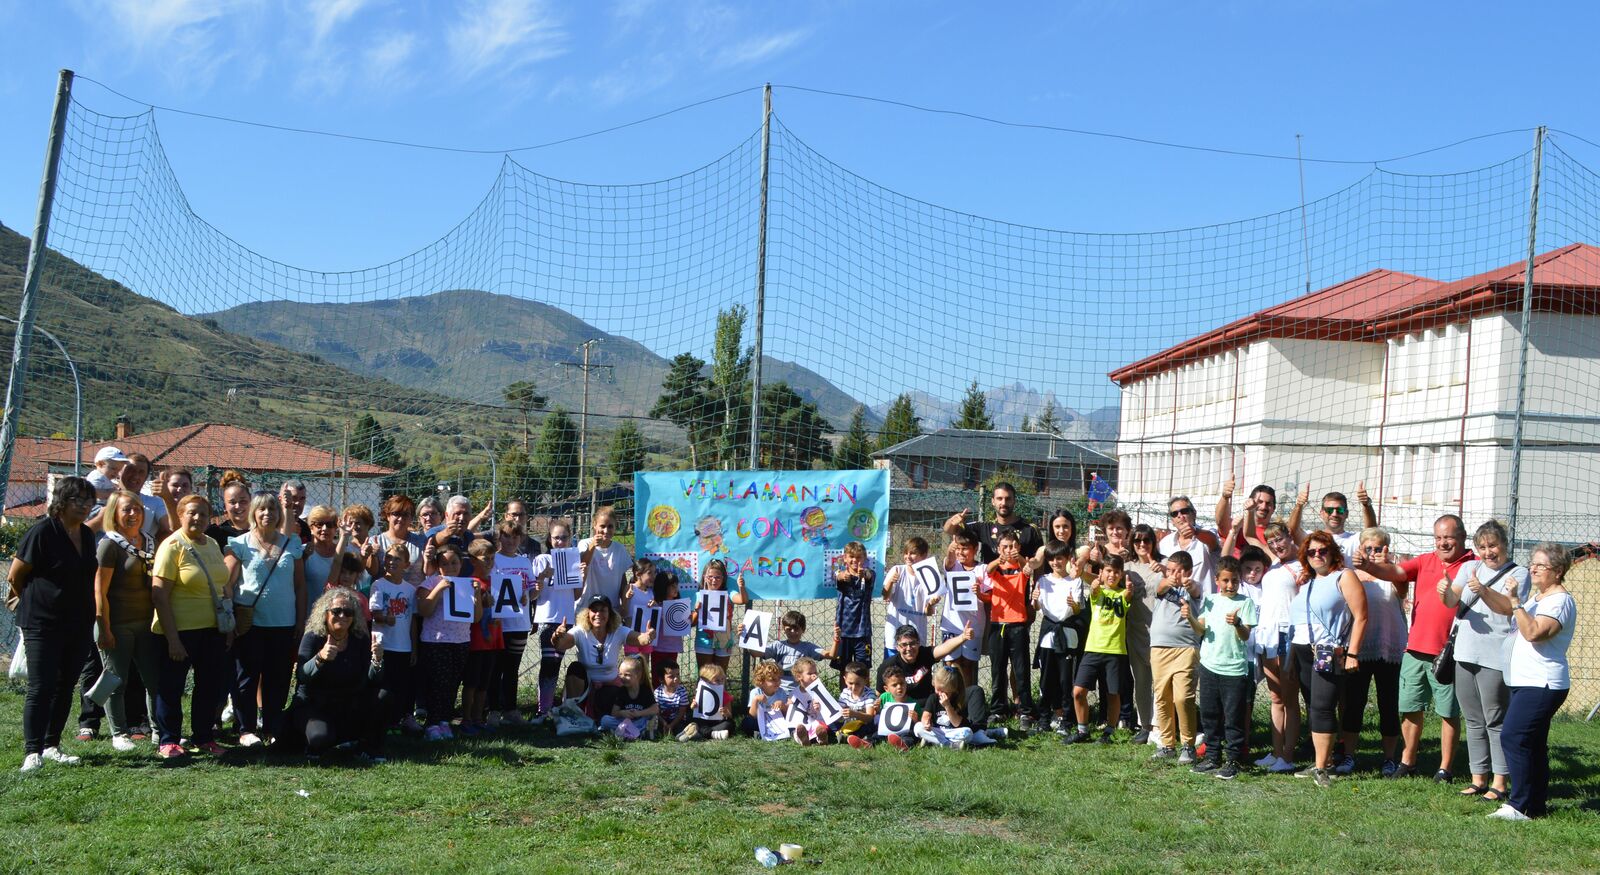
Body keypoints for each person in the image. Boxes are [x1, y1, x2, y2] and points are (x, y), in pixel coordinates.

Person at [1365, 514, 1475, 782]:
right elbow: (1397, 573)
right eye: (1438, 538)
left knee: (1448, 712)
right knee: (1410, 707)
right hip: (1415, 648)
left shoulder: (1475, 566)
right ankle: (1408, 760)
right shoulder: (1426, 560)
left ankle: (1445, 768)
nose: (1442, 543)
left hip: (1449, 653)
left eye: (1448, 537)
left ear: (1462, 537)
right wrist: (1369, 566)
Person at [1474, 542, 1576, 821]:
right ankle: (1535, 805)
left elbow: (1533, 632)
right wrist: (1490, 592)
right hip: (1525, 681)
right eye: (1533, 563)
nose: (1533, 568)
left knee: (1514, 737)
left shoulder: (1559, 601)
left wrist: (1517, 600)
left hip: (1543, 683)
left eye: (1540, 565)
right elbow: (1510, 610)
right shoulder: (1540, 597)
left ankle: (1518, 804)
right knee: (1533, 744)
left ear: (1557, 571)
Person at [11, 477, 98, 773]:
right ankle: (32, 751)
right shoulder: (42, 532)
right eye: (79, 500)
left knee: (64, 686)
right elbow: (15, 576)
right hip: (42, 623)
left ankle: (51, 745)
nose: (85, 506)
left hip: (78, 623)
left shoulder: (86, 535)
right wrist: (39, 601)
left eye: (89, 501)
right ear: (61, 501)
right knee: (41, 686)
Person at [1440, 520, 1529, 801]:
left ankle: (1500, 782)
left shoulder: (1519, 574)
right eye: (1482, 547)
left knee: (1495, 719)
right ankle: (1478, 778)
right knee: (1473, 719)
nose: (1488, 552)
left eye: (1492, 545)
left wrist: (1483, 590)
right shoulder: (1469, 568)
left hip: (1494, 656)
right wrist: (1444, 591)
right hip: (1464, 653)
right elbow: (1452, 601)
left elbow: (1508, 609)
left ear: (1504, 544)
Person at [150, 494, 232, 759]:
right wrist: (172, 639)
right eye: (192, 513)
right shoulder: (172, 545)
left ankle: (204, 736)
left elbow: (221, 586)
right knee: (172, 687)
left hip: (212, 629)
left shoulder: (211, 544)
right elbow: (159, 595)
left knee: (209, 685)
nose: (198, 518)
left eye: (204, 514)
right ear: (181, 513)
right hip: (180, 630)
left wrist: (227, 627)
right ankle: (169, 740)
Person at [223, 491, 307, 747]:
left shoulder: (292, 544)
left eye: (272, 509)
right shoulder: (239, 544)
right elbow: (226, 584)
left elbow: (300, 586)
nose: (267, 513)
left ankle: (272, 727)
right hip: (250, 624)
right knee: (246, 678)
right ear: (253, 514)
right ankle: (246, 729)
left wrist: (301, 621)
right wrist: (229, 616)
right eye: (261, 509)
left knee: (278, 679)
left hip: (283, 623)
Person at [1289, 531, 1367, 787]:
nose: (1317, 555)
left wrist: (1353, 653)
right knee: (1312, 705)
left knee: (1323, 706)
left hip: (1328, 650)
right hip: (1303, 649)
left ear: (1333, 552)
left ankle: (1322, 767)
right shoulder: (1308, 581)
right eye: (1312, 552)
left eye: (1322, 550)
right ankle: (1323, 760)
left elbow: (1361, 616)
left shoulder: (1344, 576)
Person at [93, 489, 162, 753]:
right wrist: (104, 627)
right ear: (114, 513)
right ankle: (118, 733)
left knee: (153, 680)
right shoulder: (109, 544)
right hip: (117, 624)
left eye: (137, 508)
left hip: (146, 624)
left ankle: (159, 731)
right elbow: (99, 590)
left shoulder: (149, 541)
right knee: (115, 681)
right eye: (126, 509)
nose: (133, 514)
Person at [280, 588, 384, 762]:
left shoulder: (360, 639)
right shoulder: (313, 637)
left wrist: (377, 661)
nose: (342, 616)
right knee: (320, 738)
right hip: (314, 705)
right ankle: (314, 739)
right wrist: (320, 658)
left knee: (383, 696)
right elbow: (302, 676)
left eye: (348, 612)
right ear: (325, 613)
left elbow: (373, 680)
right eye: (337, 611)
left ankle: (366, 745)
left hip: (348, 703)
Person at [1340, 527, 1408, 777]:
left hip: (1388, 646)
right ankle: (1348, 755)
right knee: (1354, 702)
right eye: (1368, 548)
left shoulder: (1392, 572)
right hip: (1360, 646)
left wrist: (1385, 566)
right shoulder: (1351, 573)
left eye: (1378, 548)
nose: (1373, 553)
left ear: (1386, 550)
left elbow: (1402, 591)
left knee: (1388, 704)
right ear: (1360, 549)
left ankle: (1390, 758)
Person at [1183, 556, 1257, 779]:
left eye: (1234, 580)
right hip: (1209, 666)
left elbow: (1245, 635)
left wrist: (1236, 624)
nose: (1230, 585)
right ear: (1217, 580)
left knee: (1233, 717)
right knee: (1209, 714)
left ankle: (1233, 759)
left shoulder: (1245, 602)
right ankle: (1212, 756)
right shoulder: (1210, 600)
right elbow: (1200, 631)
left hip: (1233, 670)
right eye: (1225, 580)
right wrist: (1190, 618)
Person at [551, 594, 656, 716]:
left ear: (610, 614)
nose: (598, 614)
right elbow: (560, 644)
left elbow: (639, 638)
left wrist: (648, 637)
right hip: (585, 686)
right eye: (594, 610)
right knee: (575, 668)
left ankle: (597, 716)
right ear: (587, 614)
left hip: (610, 686)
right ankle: (574, 711)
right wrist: (557, 636)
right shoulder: (580, 631)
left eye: (603, 610)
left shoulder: (618, 631)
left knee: (609, 696)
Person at [1066, 556, 1131, 744]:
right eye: (1108, 571)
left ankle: (1108, 733)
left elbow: (1128, 598)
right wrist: (1093, 583)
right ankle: (1082, 730)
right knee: (1078, 692)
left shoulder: (1124, 594)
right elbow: (1094, 590)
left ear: (1121, 574)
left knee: (1113, 693)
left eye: (1116, 572)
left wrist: (1129, 592)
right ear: (1102, 573)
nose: (1112, 575)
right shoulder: (1097, 591)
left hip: (1116, 651)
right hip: (1093, 648)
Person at [1253, 523, 1302, 773]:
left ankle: (1288, 755)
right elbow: (1250, 536)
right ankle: (1276, 752)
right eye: (1271, 542)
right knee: (1275, 697)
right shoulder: (1272, 565)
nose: (1276, 546)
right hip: (1267, 634)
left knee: (1290, 698)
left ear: (1290, 537)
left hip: (1287, 633)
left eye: (1280, 540)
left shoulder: (1302, 566)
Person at [416, 545, 475, 741]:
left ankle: (443, 721)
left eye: (454, 563)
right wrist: (438, 589)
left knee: (452, 684)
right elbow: (424, 610)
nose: (449, 567)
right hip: (436, 641)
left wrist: (480, 599)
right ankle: (431, 723)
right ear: (437, 565)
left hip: (460, 640)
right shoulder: (430, 582)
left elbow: (475, 616)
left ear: (461, 563)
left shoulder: (466, 584)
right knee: (437, 684)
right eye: (444, 563)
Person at [1149, 551, 1202, 764]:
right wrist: (1168, 579)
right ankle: (1167, 745)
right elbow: (1159, 588)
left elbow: (1196, 590)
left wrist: (1189, 584)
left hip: (1185, 648)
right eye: (1169, 570)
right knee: (1162, 697)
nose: (1172, 574)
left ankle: (1188, 745)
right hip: (1159, 648)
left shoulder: (1194, 588)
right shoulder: (1163, 584)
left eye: (1176, 571)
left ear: (1188, 571)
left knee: (1183, 698)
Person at [981, 531, 1035, 727]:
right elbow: (987, 570)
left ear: (1018, 547)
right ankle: (998, 710)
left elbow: (1028, 570)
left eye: (1012, 546)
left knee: (1021, 671)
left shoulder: (1021, 566)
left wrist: (1018, 557)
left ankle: (1025, 712)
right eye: (1004, 547)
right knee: (998, 670)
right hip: (998, 624)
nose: (1008, 550)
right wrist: (999, 558)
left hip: (1018, 625)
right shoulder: (997, 568)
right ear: (998, 548)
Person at [486, 521, 536, 728]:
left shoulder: (525, 562)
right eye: (506, 536)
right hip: (498, 624)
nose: (510, 540)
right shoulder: (493, 560)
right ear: (499, 537)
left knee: (512, 668)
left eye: (515, 536)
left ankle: (511, 710)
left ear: (521, 539)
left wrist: (531, 593)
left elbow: (532, 593)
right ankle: (493, 710)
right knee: (495, 669)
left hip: (519, 623)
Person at [1033, 541, 1084, 733]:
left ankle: (1066, 720)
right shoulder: (1043, 581)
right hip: (1048, 636)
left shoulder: (1075, 581)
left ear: (1068, 559)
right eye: (1052, 559)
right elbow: (1037, 607)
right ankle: (1044, 719)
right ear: (1048, 560)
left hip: (1067, 637)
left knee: (1065, 681)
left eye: (1060, 558)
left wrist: (1074, 605)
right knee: (1046, 679)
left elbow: (1078, 609)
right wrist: (1035, 599)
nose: (1056, 562)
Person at [369, 542, 420, 733]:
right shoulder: (379, 585)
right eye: (389, 557)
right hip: (384, 645)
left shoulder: (410, 590)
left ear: (406, 564)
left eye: (397, 559)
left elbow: (413, 621)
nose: (392, 561)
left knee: (401, 687)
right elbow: (374, 614)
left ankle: (397, 721)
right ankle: (382, 722)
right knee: (384, 687)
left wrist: (414, 648)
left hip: (403, 647)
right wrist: (384, 618)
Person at [530, 520, 579, 717]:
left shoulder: (573, 559)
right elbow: (533, 594)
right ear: (549, 539)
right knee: (548, 663)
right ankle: (543, 710)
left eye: (564, 537)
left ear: (570, 538)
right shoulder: (542, 559)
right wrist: (541, 577)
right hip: (546, 617)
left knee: (556, 663)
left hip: (566, 618)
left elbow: (576, 595)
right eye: (556, 538)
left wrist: (580, 575)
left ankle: (548, 708)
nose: (560, 541)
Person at [942, 482, 1044, 565]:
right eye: (999, 498)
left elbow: (1039, 563)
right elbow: (950, 530)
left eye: (1008, 499)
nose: (1003, 503)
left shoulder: (1030, 530)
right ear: (993, 501)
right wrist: (952, 521)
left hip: (1019, 588)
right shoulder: (984, 527)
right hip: (991, 588)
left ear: (1014, 501)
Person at [1123, 524, 1161, 744]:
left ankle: (1159, 725)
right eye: (1137, 541)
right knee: (1141, 682)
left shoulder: (1161, 565)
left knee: (1159, 682)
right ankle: (1144, 725)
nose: (1142, 545)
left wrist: (1163, 571)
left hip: (1158, 632)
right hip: (1135, 631)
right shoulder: (1127, 566)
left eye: (1146, 540)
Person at [935, 531, 987, 687]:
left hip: (974, 626)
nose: (960, 552)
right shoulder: (953, 565)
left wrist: (980, 593)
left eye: (965, 548)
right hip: (951, 625)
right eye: (958, 548)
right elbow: (949, 562)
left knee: (968, 666)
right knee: (951, 665)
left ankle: (967, 703)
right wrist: (951, 551)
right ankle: (950, 702)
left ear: (975, 548)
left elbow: (988, 596)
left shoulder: (982, 569)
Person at [1288, 483, 1378, 561]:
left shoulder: (1355, 539)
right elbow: (1292, 531)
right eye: (1329, 510)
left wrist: (1366, 505)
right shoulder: (1311, 538)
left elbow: (1372, 532)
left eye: (1340, 510)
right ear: (1322, 513)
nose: (1334, 514)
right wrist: (1299, 505)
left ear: (1346, 514)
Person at [915, 665, 997, 748]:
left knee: (967, 732)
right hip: (939, 730)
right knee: (918, 727)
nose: (940, 693)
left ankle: (933, 741)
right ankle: (950, 745)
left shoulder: (959, 699)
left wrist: (947, 706)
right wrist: (926, 722)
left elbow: (957, 723)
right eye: (937, 689)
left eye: (944, 691)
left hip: (955, 731)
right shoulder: (933, 698)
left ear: (954, 690)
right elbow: (926, 715)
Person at [881, 538, 933, 660]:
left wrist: (931, 604)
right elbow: (885, 596)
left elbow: (928, 612)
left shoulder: (929, 577)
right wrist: (890, 583)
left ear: (924, 556)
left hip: (916, 635)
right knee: (892, 673)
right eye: (906, 553)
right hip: (895, 633)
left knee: (913, 675)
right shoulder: (897, 570)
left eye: (913, 553)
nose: (908, 557)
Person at [690, 559, 747, 671]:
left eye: (718, 577)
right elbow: (691, 623)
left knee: (721, 676)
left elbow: (742, 600)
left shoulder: (729, 593)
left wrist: (741, 587)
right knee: (704, 677)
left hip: (724, 641)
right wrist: (697, 611)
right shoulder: (698, 595)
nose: (714, 580)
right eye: (710, 576)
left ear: (723, 578)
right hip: (704, 641)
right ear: (704, 577)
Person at [1159, 494, 1221, 593]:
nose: (1180, 516)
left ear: (1194, 514)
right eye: (1174, 514)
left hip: (1204, 604)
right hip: (1174, 605)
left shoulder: (1207, 534)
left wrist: (1195, 532)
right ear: (1172, 521)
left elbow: (1212, 541)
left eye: (1184, 511)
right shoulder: (1165, 543)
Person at [830, 541, 874, 673]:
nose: (855, 560)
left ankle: (866, 694)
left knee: (863, 670)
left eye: (859, 557)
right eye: (851, 557)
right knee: (844, 670)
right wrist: (842, 576)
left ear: (864, 558)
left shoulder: (869, 573)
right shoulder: (840, 574)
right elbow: (837, 576)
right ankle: (844, 694)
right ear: (845, 558)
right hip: (843, 631)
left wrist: (862, 575)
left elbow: (869, 576)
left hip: (863, 632)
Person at [578, 506, 630, 609]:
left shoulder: (620, 549)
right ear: (594, 525)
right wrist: (593, 546)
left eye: (610, 526)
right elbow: (582, 564)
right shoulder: (584, 544)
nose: (606, 531)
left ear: (615, 527)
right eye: (602, 526)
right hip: (587, 607)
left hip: (611, 608)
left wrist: (624, 602)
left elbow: (622, 579)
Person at [370, 495, 425, 586]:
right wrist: (372, 554)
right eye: (396, 514)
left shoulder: (421, 541)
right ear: (388, 516)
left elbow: (429, 571)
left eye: (405, 514)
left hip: (414, 597)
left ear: (411, 518)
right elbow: (372, 572)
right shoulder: (375, 541)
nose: (400, 519)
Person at [600, 655, 658, 741]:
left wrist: (639, 713)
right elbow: (614, 713)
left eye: (627, 675)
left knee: (648, 719)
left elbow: (655, 709)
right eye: (620, 674)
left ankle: (625, 733)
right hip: (624, 722)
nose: (622, 677)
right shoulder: (621, 691)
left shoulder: (645, 691)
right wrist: (622, 713)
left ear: (638, 675)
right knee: (605, 720)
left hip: (638, 721)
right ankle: (634, 733)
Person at [760, 610, 821, 691]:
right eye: (789, 629)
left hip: (801, 692)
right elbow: (757, 653)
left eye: (796, 629)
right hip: (780, 690)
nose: (792, 632)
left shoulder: (807, 647)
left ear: (803, 629)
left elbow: (830, 655)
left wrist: (836, 641)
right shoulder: (778, 645)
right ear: (783, 629)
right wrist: (745, 638)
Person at [675, 663, 733, 741]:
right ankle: (713, 734)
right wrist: (693, 706)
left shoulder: (725, 695)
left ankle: (699, 734)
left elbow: (729, 715)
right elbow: (694, 710)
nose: (721, 682)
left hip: (717, 722)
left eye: (722, 679)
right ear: (706, 682)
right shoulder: (701, 693)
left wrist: (726, 713)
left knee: (730, 723)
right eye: (717, 680)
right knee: (691, 719)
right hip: (702, 721)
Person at [648, 569, 684, 687]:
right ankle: (657, 703)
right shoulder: (656, 604)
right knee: (657, 679)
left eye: (676, 586)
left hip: (672, 648)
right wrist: (656, 608)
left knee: (671, 678)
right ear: (663, 587)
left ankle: (670, 702)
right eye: (672, 586)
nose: (675, 589)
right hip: (658, 648)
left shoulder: (679, 605)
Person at [786, 657, 833, 745]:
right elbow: (791, 712)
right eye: (810, 673)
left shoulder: (820, 691)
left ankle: (822, 739)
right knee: (797, 729)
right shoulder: (794, 693)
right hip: (801, 724)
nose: (814, 675)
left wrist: (820, 706)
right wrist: (788, 705)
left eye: (815, 673)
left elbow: (828, 709)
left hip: (816, 721)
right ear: (798, 677)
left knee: (819, 727)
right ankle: (803, 739)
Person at [875, 665, 920, 751]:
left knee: (909, 736)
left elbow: (920, 723)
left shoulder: (913, 703)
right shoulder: (884, 697)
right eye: (894, 685)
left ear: (906, 684)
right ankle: (867, 743)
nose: (899, 687)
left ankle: (903, 745)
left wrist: (915, 719)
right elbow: (880, 717)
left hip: (905, 731)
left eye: (901, 683)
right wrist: (877, 709)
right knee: (876, 734)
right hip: (886, 731)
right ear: (886, 689)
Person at [747, 660, 792, 741]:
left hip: (776, 722)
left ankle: (764, 735)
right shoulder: (756, 692)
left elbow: (786, 715)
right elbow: (752, 716)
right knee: (747, 723)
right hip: (760, 722)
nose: (777, 682)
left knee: (790, 724)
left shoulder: (781, 692)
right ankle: (763, 734)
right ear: (761, 681)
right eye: (773, 680)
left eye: (778, 678)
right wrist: (756, 700)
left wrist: (783, 706)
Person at [839, 661, 881, 748]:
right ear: (845, 679)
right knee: (834, 723)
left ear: (865, 681)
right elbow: (839, 711)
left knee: (877, 720)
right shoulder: (845, 693)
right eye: (850, 683)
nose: (854, 687)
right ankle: (849, 736)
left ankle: (864, 740)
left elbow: (869, 717)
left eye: (858, 684)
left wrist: (854, 714)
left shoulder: (869, 694)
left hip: (864, 724)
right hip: (850, 724)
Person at [206, 470, 252, 549]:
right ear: (225, 506)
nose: (238, 506)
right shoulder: (216, 534)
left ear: (250, 501)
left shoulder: (261, 531)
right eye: (232, 502)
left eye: (243, 501)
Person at [654, 662, 690, 739]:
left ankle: (685, 734)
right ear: (661, 679)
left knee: (680, 730)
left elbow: (682, 712)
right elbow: (656, 712)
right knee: (656, 731)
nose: (676, 678)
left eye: (677, 674)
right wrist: (664, 724)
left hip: (678, 721)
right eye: (671, 676)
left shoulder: (682, 691)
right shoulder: (657, 692)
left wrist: (671, 725)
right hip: (662, 721)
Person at [277, 479, 312, 543]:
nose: (298, 503)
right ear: (280, 500)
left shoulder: (305, 527)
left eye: (302, 498)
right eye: (293, 498)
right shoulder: (272, 524)